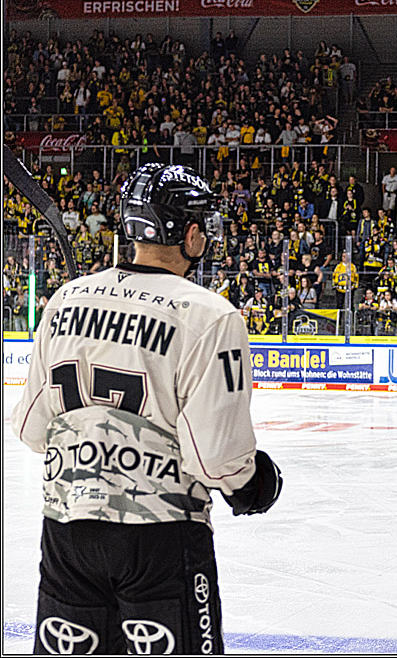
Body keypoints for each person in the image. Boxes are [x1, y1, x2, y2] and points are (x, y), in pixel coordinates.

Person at [11, 163, 282, 654]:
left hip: (68, 533)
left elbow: (32, 429)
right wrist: (253, 484)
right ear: (192, 234)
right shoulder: (210, 316)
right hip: (161, 535)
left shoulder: (64, 301)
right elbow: (214, 457)